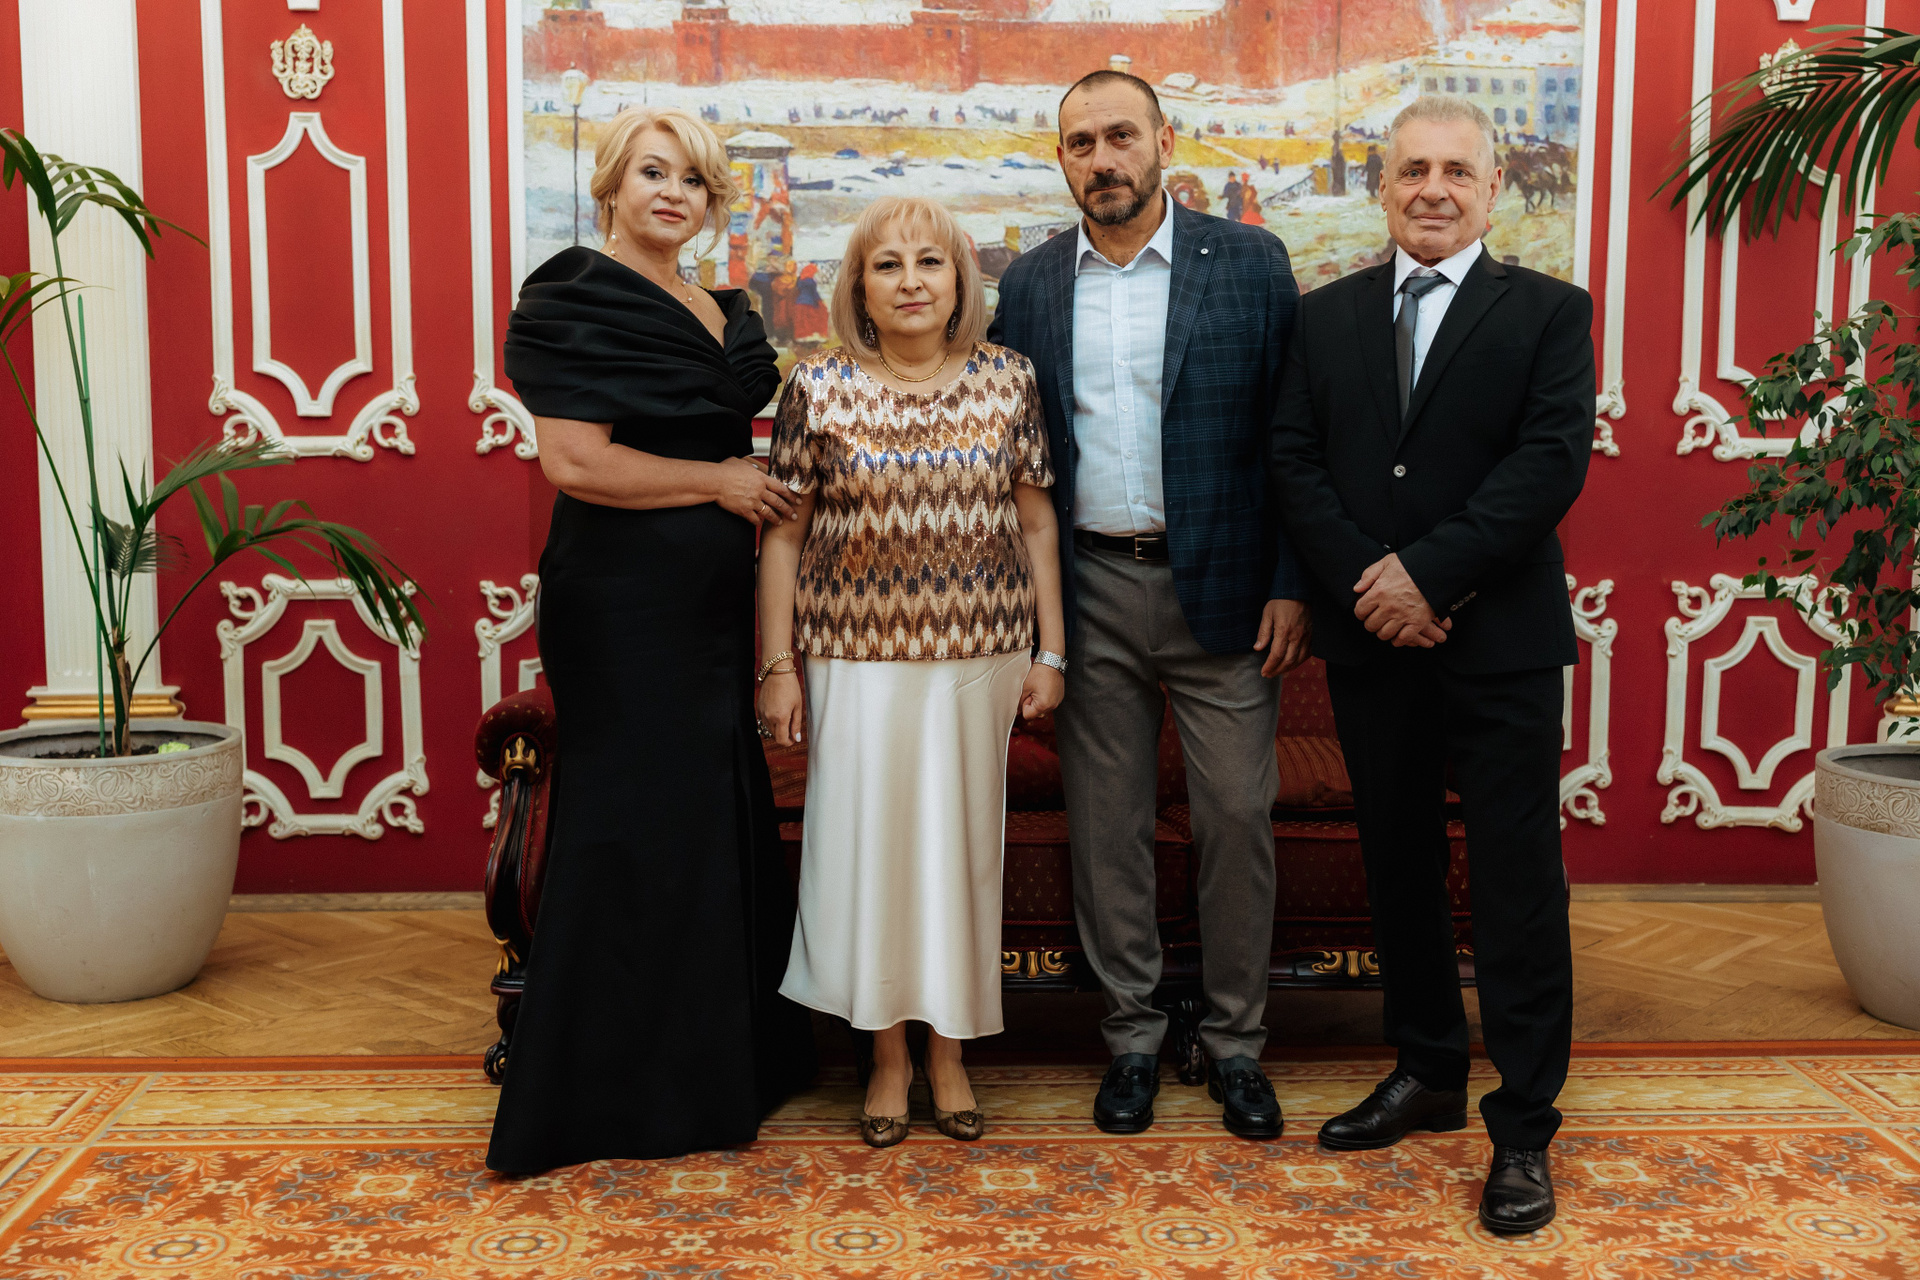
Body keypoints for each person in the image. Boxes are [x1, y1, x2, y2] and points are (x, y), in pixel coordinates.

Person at [1268, 95, 1593, 1234]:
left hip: (1499, 644)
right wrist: (1375, 583)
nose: (1434, 189)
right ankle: (1427, 1070)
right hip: (1374, 638)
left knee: (1514, 883)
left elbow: (1547, 465)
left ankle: (1524, 1125)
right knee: (1397, 862)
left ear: (1493, 189)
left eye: (1458, 170)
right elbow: (1294, 461)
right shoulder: (1324, 317)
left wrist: (1427, 577)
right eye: (1413, 169)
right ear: (1383, 186)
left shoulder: (1549, 311)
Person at [487, 106, 815, 1173]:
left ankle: (711, 1068)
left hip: (709, 605)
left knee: (703, 820)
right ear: (611, 188)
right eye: (653, 173)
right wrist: (718, 481)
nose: (674, 194)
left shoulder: (720, 308)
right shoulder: (572, 293)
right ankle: (609, 1092)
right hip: (619, 603)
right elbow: (575, 463)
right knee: (632, 825)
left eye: (694, 180)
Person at [989, 70, 1311, 1141]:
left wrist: (1291, 580)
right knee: (1108, 826)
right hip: (1087, 590)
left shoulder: (1251, 262)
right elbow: (1018, 457)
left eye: (1121, 135)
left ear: (1166, 140)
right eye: (1080, 143)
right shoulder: (1032, 283)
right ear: (1061, 159)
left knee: (1235, 817)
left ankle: (1236, 1044)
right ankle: (1130, 1035)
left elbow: (1293, 433)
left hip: (1226, 589)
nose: (1103, 159)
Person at [757, 196, 1066, 1148]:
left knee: (957, 859)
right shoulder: (816, 386)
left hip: (980, 655)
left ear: (961, 283)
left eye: (930, 262)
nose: (911, 282)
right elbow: (783, 538)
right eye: (887, 265)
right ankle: (887, 1054)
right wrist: (778, 665)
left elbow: (1037, 523)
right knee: (868, 859)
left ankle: (950, 1051)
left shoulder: (1010, 380)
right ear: (859, 288)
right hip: (853, 658)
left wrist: (1052, 651)